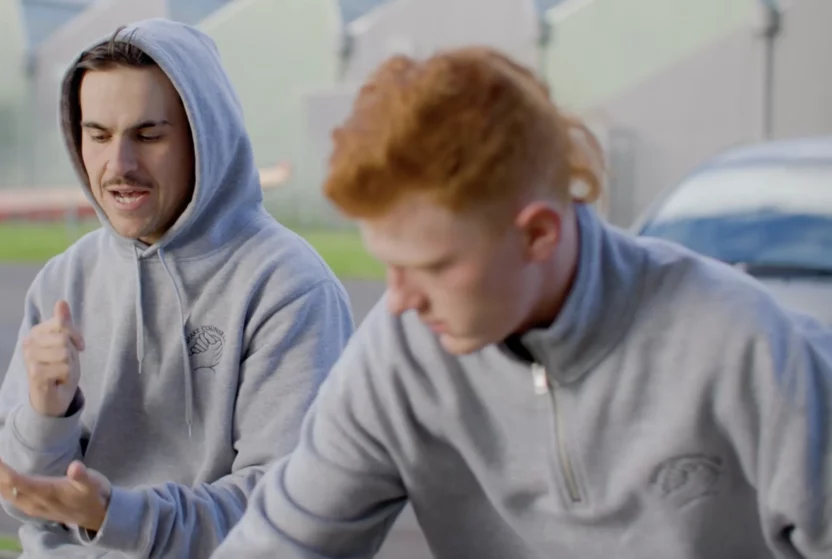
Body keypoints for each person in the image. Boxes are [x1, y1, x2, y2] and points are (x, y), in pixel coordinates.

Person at [211, 46, 832, 558]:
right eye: (388, 266)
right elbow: (279, 545)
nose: (398, 301)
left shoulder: (748, 347)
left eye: (431, 267)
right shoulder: (397, 359)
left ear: (537, 234)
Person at [0, 18, 355, 559]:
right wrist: (45, 415)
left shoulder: (289, 288)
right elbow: (21, 493)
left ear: (206, 136)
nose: (119, 165)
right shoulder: (66, 279)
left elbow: (289, 513)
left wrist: (117, 516)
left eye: (149, 136)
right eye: (98, 135)